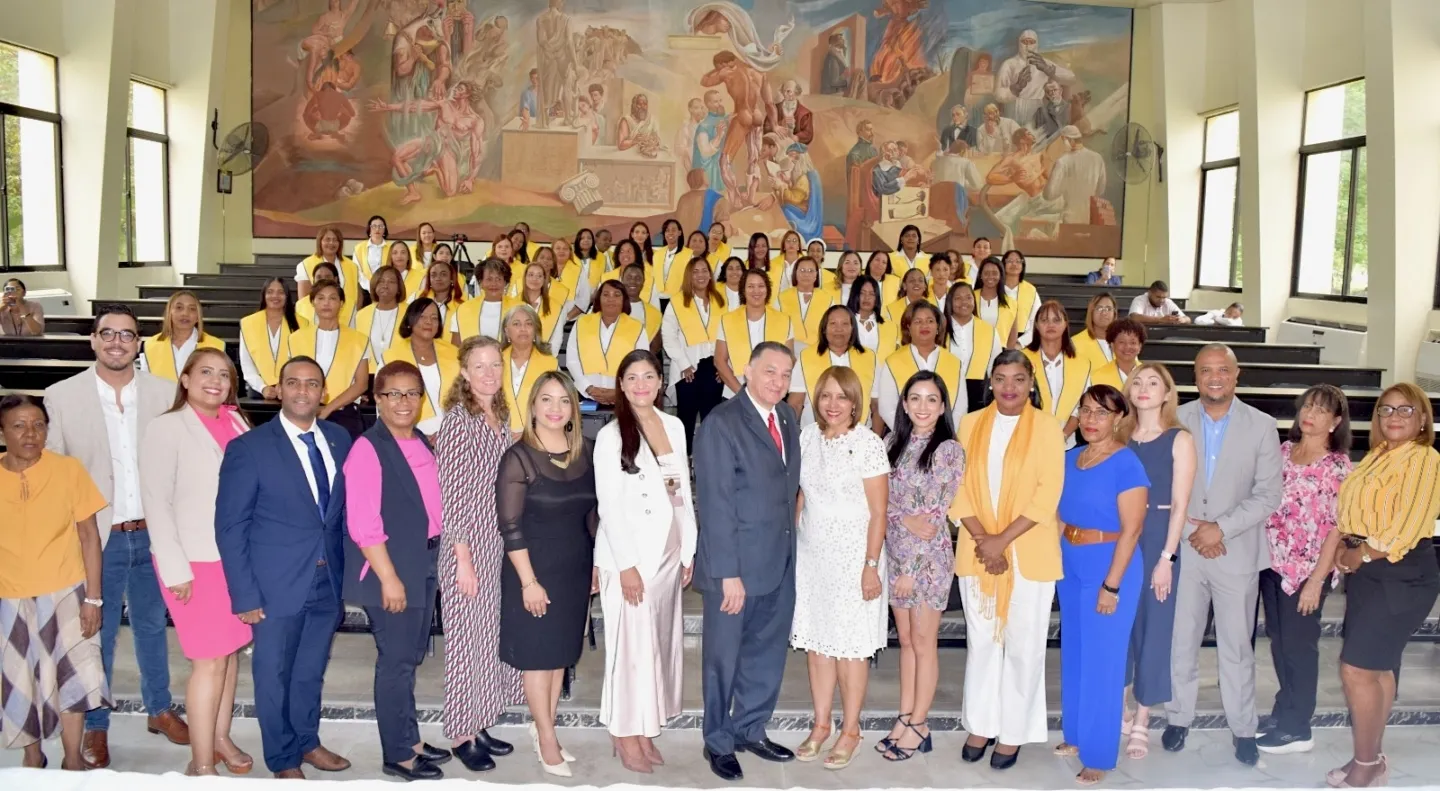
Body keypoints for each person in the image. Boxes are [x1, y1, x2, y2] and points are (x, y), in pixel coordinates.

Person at [43, 305, 187, 768]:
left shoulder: (166, 393)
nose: (117, 342)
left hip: (150, 533)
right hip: (96, 538)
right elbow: (55, 474)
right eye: (108, 334)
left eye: (127, 334)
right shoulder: (61, 397)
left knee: (150, 627)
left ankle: (159, 708)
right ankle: (97, 725)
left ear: (139, 342)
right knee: (95, 635)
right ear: (93, 340)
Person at [215, 356, 354, 778]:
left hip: (326, 580)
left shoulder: (338, 439)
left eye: (312, 384)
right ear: (278, 389)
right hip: (274, 585)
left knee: (310, 670)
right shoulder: (249, 448)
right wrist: (244, 594)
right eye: (293, 382)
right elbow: (230, 526)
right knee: (274, 675)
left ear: (323, 392)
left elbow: (343, 513)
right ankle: (283, 758)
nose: (302, 391)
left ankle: (307, 741)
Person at [1164, 344, 1282, 766]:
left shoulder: (1262, 425)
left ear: (1236, 374)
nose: (1214, 377)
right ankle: (1178, 715)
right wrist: (1192, 529)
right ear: (1194, 376)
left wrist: (1221, 528)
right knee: (1182, 640)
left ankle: (1243, 727)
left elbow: (1269, 494)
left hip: (1235, 550)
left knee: (1236, 646)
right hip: (1185, 549)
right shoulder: (1176, 419)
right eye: (1205, 370)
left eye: (1222, 370)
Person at [139, 349, 256, 776]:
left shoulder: (237, 422)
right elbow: (156, 501)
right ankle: (201, 762)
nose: (216, 380)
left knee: (229, 653)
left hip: (236, 559)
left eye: (224, 374)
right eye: (205, 372)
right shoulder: (166, 427)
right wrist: (175, 569)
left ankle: (220, 736)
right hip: (193, 560)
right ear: (185, 379)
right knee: (208, 660)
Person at [949, 349, 1065, 770]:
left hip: (1028, 552)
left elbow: (1047, 494)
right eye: (1001, 378)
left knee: (1024, 645)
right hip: (979, 550)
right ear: (990, 382)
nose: (1010, 387)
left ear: (1031, 382)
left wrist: (1002, 542)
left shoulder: (1049, 428)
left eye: (1018, 378)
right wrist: (985, 540)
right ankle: (981, 723)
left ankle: (1013, 732)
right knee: (982, 644)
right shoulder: (970, 424)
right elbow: (955, 486)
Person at [693, 342, 802, 782]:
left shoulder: (789, 420)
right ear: (747, 371)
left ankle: (751, 727)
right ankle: (718, 740)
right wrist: (727, 573)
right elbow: (715, 504)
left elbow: (787, 489)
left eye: (786, 375)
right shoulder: (722, 423)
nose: (778, 382)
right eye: (770, 372)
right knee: (724, 659)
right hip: (734, 569)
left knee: (766, 655)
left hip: (778, 561)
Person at [340, 361, 452, 780]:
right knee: (396, 662)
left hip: (423, 560)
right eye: (393, 394)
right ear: (376, 399)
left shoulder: (421, 440)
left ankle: (412, 740)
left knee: (408, 658)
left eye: (411, 393)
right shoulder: (369, 448)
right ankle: (398, 755)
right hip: (392, 568)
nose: (403, 402)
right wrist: (388, 578)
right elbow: (363, 523)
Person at [1327, 384, 1440, 788]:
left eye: (1405, 409)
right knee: (1378, 669)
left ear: (1422, 418)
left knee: (1356, 669)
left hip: (1402, 573)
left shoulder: (1426, 458)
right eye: (1385, 409)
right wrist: (1348, 547)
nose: (1393, 416)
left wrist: (1365, 551)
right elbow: (1351, 513)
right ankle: (1373, 756)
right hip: (1369, 570)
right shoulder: (1377, 457)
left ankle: (1365, 762)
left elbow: (1407, 527)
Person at [593, 351, 697, 773]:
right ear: (621, 384)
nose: (641, 384)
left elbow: (681, 491)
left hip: (669, 554)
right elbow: (609, 506)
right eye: (632, 377)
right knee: (629, 649)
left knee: (654, 646)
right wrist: (627, 565)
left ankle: (643, 727)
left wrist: (687, 547)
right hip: (631, 558)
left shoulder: (672, 424)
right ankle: (622, 731)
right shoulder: (612, 435)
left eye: (648, 376)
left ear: (660, 382)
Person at [496, 372, 598, 778]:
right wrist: (529, 582)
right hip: (533, 570)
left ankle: (546, 730)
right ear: (533, 406)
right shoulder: (518, 458)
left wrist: (593, 567)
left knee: (559, 657)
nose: (555, 409)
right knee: (539, 660)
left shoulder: (585, 453)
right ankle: (546, 738)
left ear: (573, 408)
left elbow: (592, 518)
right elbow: (510, 526)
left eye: (563, 401)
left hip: (574, 568)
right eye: (546, 400)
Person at [0, 394, 108, 770]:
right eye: (19, 425)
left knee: (73, 679)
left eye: (39, 425)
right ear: (2, 432)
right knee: (20, 680)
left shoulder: (69, 470)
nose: (31, 434)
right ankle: (33, 757)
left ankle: (73, 758)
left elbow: (90, 537)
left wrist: (93, 599)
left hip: (66, 592)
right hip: (9, 598)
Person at [790, 367, 890, 769]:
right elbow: (802, 495)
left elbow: (880, 513)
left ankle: (851, 729)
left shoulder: (869, 444)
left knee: (850, 649)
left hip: (854, 556)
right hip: (813, 555)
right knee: (817, 644)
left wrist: (870, 566)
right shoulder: (807, 436)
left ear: (855, 402)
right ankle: (821, 724)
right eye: (826, 396)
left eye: (841, 397)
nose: (833, 405)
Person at [1051, 386, 1148, 785]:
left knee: (1103, 661)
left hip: (1110, 565)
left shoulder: (1127, 464)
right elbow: (1058, 515)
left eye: (1102, 413)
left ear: (1119, 419)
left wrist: (1111, 586)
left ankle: (1100, 753)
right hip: (1070, 563)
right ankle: (1075, 734)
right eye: (1086, 411)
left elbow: (1132, 530)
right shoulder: (1071, 458)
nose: (1091, 420)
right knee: (1073, 650)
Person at [436, 337, 521, 773]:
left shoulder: (500, 416)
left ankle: (480, 720)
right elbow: (451, 495)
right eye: (479, 366)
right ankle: (460, 734)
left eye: (495, 365)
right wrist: (463, 559)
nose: (489, 373)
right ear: (464, 373)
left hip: (496, 544)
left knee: (488, 642)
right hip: (465, 546)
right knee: (466, 645)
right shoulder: (457, 422)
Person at [1257, 384, 1351, 755]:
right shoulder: (1283, 451)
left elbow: (1336, 528)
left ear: (1336, 421)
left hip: (1307, 570)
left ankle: (1299, 727)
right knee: (1280, 644)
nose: (1310, 413)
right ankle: (1285, 709)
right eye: (1307, 406)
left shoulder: (1337, 465)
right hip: (1272, 563)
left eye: (1322, 410)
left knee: (1299, 647)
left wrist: (1316, 581)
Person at [875, 372, 963, 762]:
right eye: (916, 398)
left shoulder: (948, 450)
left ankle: (920, 724)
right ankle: (905, 715)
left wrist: (909, 566)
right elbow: (877, 504)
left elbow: (930, 517)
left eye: (932, 399)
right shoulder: (891, 443)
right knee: (906, 642)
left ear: (943, 406)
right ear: (905, 404)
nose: (923, 406)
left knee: (924, 644)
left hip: (926, 562)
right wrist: (898, 521)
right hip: (895, 556)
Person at [1120, 363, 1195, 761]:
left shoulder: (1178, 439)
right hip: (1119, 539)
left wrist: (1167, 557)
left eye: (1153, 383)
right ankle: (1120, 702)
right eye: (1137, 381)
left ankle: (1144, 716)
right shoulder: (1119, 435)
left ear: (1167, 393)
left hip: (1156, 540)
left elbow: (1181, 504)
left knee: (1153, 628)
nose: (1144, 388)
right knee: (1119, 622)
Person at [289, 280, 371, 438]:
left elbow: (361, 383)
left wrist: (327, 409)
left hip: (344, 413)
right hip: (304, 411)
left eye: (332, 298)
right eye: (320, 298)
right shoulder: (296, 338)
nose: (326, 303)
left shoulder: (359, 339)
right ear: (312, 302)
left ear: (341, 303)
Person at [663, 255, 727, 448]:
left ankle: (708, 463)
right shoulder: (677, 301)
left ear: (710, 274)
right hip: (687, 367)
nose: (701, 275)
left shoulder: (720, 300)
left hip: (714, 367)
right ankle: (685, 460)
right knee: (686, 419)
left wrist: (724, 366)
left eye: (704, 271)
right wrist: (684, 364)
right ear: (689, 276)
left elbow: (729, 334)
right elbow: (668, 335)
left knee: (712, 419)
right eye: (695, 271)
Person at [876, 302, 965, 432]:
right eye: (918, 321)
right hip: (904, 439)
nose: (924, 325)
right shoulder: (893, 362)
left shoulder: (954, 363)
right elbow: (886, 408)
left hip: (944, 438)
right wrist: (911, 435)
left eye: (930, 321)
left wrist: (944, 435)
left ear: (938, 327)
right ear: (908, 327)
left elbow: (960, 408)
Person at [787, 305, 878, 430]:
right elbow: (796, 403)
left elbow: (876, 406)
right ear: (824, 329)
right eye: (833, 323)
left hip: (859, 435)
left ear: (853, 329)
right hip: (816, 434)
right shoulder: (806, 357)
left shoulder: (869, 358)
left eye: (845, 324)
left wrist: (876, 438)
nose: (839, 329)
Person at [384, 299, 461, 437]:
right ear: (410, 320)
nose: (428, 322)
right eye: (422, 317)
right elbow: (384, 404)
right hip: (408, 433)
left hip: (455, 432)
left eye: (434, 318)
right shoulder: (391, 357)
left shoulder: (454, 353)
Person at [567, 280, 649, 406]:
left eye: (617, 295)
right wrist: (589, 388)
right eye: (606, 294)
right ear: (598, 299)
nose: (611, 299)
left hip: (625, 396)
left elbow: (642, 365)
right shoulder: (581, 323)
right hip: (586, 394)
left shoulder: (637, 327)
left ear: (624, 300)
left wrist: (619, 392)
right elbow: (572, 360)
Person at [715, 268, 794, 398]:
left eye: (761, 286)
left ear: (767, 289)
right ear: (743, 290)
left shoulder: (785, 320)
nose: (756, 291)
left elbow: (789, 359)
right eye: (750, 286)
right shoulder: (727, 319)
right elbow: (719, 360)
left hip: (773, 392)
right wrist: (743, 394)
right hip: (735, 393)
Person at [1022, 301, 1091, 447]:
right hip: (1027, 439)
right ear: (1036, 325)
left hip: (1066, 442)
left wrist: (1063, 435)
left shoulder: (1082, 363)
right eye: (1044, 320)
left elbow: (1081, 406)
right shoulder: (1022, 359)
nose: (1050, 325)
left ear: (1065, 323)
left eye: (1056, 320)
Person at [240, 278, 307, 399]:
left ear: (287, 296)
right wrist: (262, 387)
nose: (275, 296)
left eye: (280, 292)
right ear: (264, 295)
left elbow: (303, 361)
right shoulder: (248, 323)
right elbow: (246, 363)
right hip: (258, 390)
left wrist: (285, 384)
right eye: (270, 292)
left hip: (293, 388)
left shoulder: (302, 324)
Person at [140, 291, 227, 382]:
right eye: (179, 307)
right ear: (169, 312)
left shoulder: (216, 346)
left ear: (198, 316)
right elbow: (145, 384)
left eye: (192, 309)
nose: (185, 313)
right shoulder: (151, 346)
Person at [500, 304, 560, 436]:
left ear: (536, 330)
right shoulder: (494, 361)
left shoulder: (550, 364)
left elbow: (559, 407)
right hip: (497, 437)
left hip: (539, 437)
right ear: (506, 331)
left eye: (528, 324)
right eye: (516, 324)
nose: (523, 329)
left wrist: (529, 432)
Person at [943, 282, 1001, 412]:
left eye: (968, 297)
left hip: (978, 396)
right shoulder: (939, 328)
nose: (964, 302)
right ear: (950, 301)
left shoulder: (989, 330)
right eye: (958, 298)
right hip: (944, 392)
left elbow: (996, 368)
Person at [295, 226, 361, 325]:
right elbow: (303, 299)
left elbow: (358, 294)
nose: (331, 243)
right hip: (315, 321)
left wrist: (354, 314)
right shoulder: (305, 265)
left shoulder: (352, 266)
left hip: (347, 318)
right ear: (320, 242)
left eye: (335, 240)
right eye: (327, 239)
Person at [1044, 126, 1107, 225]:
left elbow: (1048, 195)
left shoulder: (1063, 162)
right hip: (1091, 220)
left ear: (1069, 140)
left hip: (1070, 220)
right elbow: (1100, 190)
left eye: (1062, 140)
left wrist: (1062, 187)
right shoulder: (1098, 159)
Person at [777, 256, 835, 352]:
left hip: (819, 352)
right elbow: (777, 328)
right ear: (795, 273)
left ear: (816, 275)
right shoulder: (781, 298)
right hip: (787, 351)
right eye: (802, 270)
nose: (806, 274)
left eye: (811, 271)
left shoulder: (828, 299)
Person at [451, 259, 512, 343]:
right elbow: (455, 347)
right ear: (480, 282)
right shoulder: (463, 309)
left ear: (505, 282)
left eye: (498, 279)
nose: (493, 284)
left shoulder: (519, 308)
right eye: (489, 279)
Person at [355, 265, 406, 366]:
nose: (385, 285)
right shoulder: (361, 315)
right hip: (368, 375)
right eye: (381, 281)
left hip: (400, 373)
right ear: (374, 285)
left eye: (391, 281)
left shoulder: (410, 313)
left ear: (399, 287)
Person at [849, 275, 900, 361]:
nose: (867, 297)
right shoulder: (845, 323)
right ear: (855, 294)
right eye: (862, 293)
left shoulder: (891, 327)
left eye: (872, 294)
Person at [974, 256, 1019, 348]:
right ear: (980, 275)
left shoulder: (1011, 303)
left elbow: (1012, 336)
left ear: (1000, 275)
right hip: (973, 353)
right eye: (986, 273)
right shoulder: (970, 298)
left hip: (1000, 355)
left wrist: (1007, 358)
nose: (990, 276)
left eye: (994, 273)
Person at [1092, 318, 1146, 390]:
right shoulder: (1096, 377)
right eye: (1122, 342)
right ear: (1112, 345)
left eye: (1133, 342)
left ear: (1140, 346)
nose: (1127, 346)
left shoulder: (1149, 375)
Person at [1000, 251, 1040, 347]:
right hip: (997, 341)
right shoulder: (995, 288)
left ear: (1023, 266)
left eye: (1018, 261)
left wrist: (1020, 343)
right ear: (1003, 265)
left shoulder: (1031, 290)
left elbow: (1037, 321)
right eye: (1010, 261)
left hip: (1023, 343)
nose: (1014, 264)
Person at [1072, 293, 1117, 370]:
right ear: (1091, 312)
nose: (1104, 313)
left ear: (1114, 314)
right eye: (1099, 308)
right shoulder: (1075, 343)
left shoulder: (1123, 341)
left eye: (1109, 309)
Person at [352, 215, 397, 285]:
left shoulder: (392, 247)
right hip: (365, 288)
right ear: (369, 229)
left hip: (387, 286)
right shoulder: (359, 248)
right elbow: (357, 271)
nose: (377, 229)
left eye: (380, 226)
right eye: (374, 226)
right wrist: (369, 285)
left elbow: (396, 268)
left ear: (384, 230)